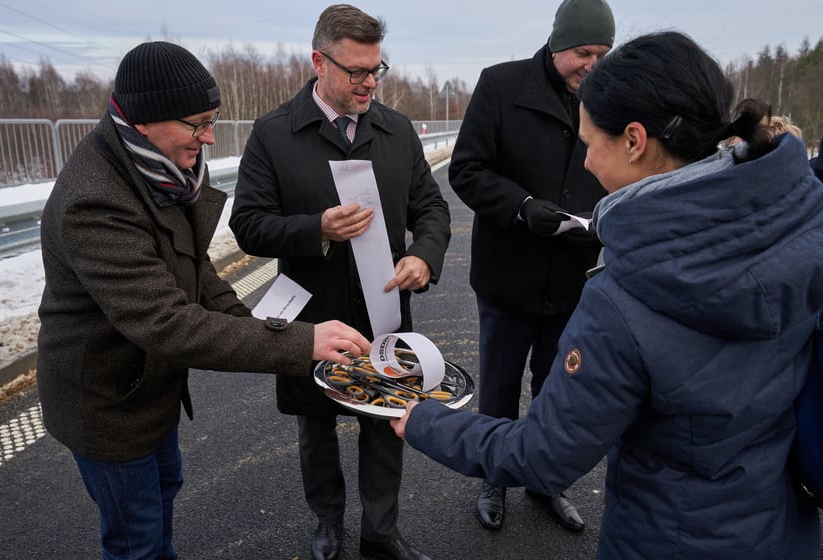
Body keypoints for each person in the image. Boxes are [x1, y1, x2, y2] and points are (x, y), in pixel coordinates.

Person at [392, 31, 823, 559]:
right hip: (784, 530)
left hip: (667, 536)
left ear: (635, 140)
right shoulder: (801, 221)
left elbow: (544, 455)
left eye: (591, 143)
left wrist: (421, 419)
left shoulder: (630, 296)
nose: (588, 163)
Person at [36, 41, 371, 560]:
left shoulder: (169, 165)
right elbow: (167, 323)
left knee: (164, 493)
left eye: (212, 120)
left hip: (151, 386)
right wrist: (301, 342)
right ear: (144, 120)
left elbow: (196, 270)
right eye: (197, 124)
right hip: (106, 399)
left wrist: (269, 331)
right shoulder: (95, 200)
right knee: (136, 540)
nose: (209, 137)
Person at [229, 5, 451, 560]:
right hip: (310, 314)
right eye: (356, 71)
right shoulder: (274, 133)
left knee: (386, 423)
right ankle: (327, 523)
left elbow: (432, 209)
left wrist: (424, 256)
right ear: (318, 62)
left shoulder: (397, 131)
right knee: (317, 424)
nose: (369, 82)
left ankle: (382, 533)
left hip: (384, 312)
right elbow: (247, 224)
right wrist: (317, 228)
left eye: (377, 69)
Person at [447, 0, 614, 532]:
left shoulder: (611, 97)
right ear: (557, 43)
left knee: (558, 387)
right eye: (583, 52)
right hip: (508, 272)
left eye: (602, 53)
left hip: (574, 275)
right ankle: (494, 477)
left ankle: (545, 480)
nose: (592, 63)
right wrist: (521, 207)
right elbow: (467, 170)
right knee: (499, 386)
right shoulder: (500, 85)